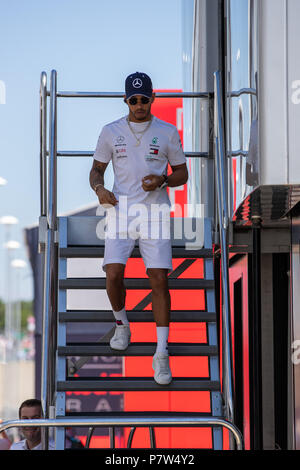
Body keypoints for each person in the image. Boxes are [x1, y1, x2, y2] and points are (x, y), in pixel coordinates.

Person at [90, 71, 188, 385]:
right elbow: (96, 170)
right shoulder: (110, 131)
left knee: (158, 278)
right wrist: (99, 189)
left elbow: (183, 174)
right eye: (133, 100)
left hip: (155, 211)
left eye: (144, 99)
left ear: (152, 99)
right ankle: (122, 325)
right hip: (119, 210)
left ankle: (161, 352)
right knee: (113, 274)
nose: (139, 105)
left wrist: (163, 180)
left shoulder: (167, 131)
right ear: (126, 100)